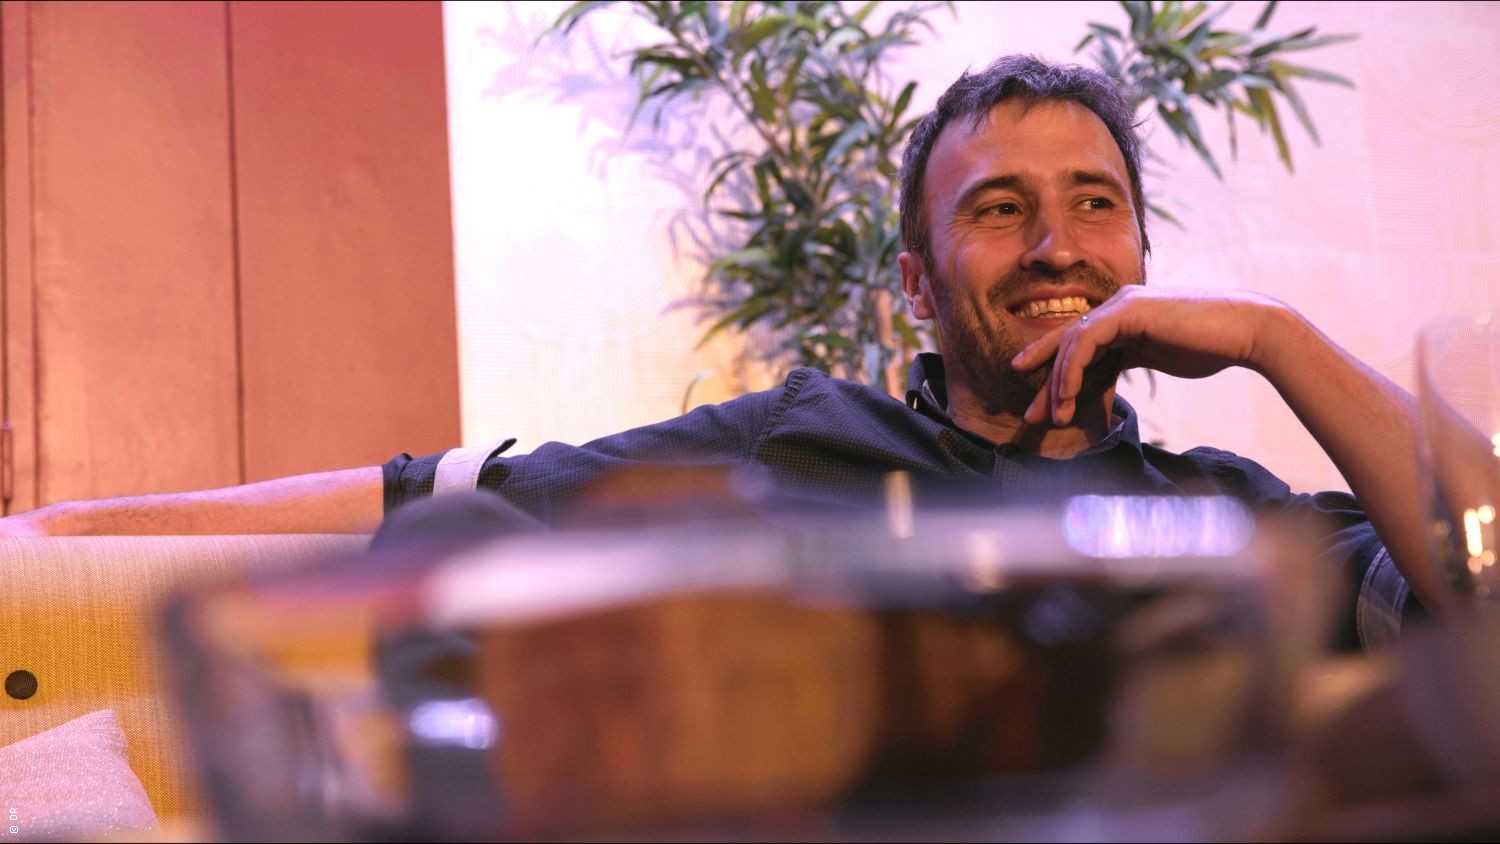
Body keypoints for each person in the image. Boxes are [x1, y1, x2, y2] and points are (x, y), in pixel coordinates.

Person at [0, 55, 1431, 650]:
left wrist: (1279, 339)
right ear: (915, 288)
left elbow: (1482, 582)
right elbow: (434, 491)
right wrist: (58, 535)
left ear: (1145, 262)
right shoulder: (805, 438)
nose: (1057, 246)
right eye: (1000, 211)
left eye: (1095, 206)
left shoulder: (1229, 514)